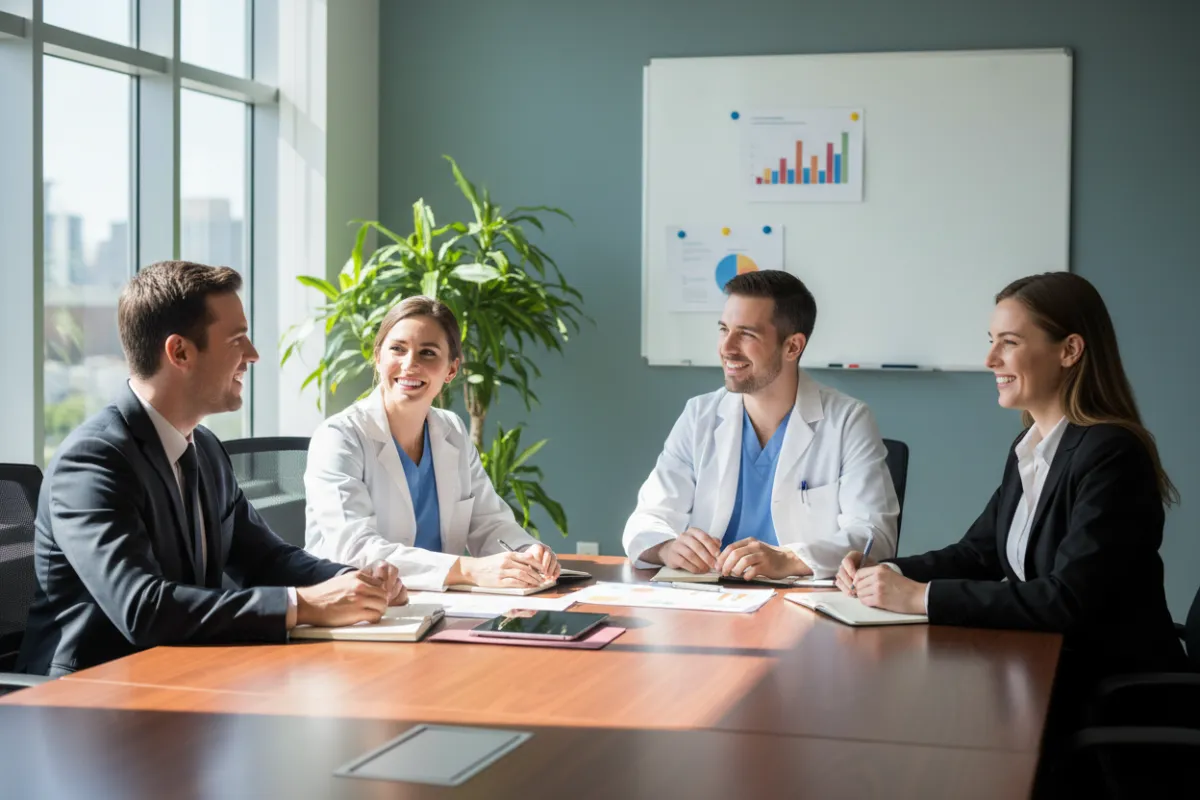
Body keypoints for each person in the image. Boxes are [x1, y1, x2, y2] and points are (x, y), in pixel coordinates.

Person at [18, 261, 406, 678]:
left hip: (182, 676)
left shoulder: (202, 447)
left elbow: (266, 559)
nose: (253, 355)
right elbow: (141, 607)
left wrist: (355, 581)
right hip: (86, 702)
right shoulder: (93, 460)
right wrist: (306, 605)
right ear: (180, 352)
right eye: (237, 340)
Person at [836, 271, 1186, 679]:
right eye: (991, 341)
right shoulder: (1033, 445)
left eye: (1010, 342)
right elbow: (977, 554)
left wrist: (921, 597)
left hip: (1111, 689)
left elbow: (1068, 599)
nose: (990, 360)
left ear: (1069, 350)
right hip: (1045, 669)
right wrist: (887, 571)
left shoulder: (1112, 454)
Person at [623, 270, 899, 580]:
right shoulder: (699, 415)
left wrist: (790, 559)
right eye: (724, 329)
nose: (727, 347)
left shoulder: (848, 421)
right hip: (709, 600)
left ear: (793, 347)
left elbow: (875, 534)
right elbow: (647, 517)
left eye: (746, 334)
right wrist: (666, 547)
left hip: (803, 609)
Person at [304, 296, 560, 592]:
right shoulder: (339, 437)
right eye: (397, 349)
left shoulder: (451, 430)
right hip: (356, 610)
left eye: (427, 353)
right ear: (378, 356)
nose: (410, 364)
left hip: (442, 605)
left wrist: (527, 551)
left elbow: (489, 522)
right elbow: (355, 550)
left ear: (451, 369)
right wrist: (468, 569)